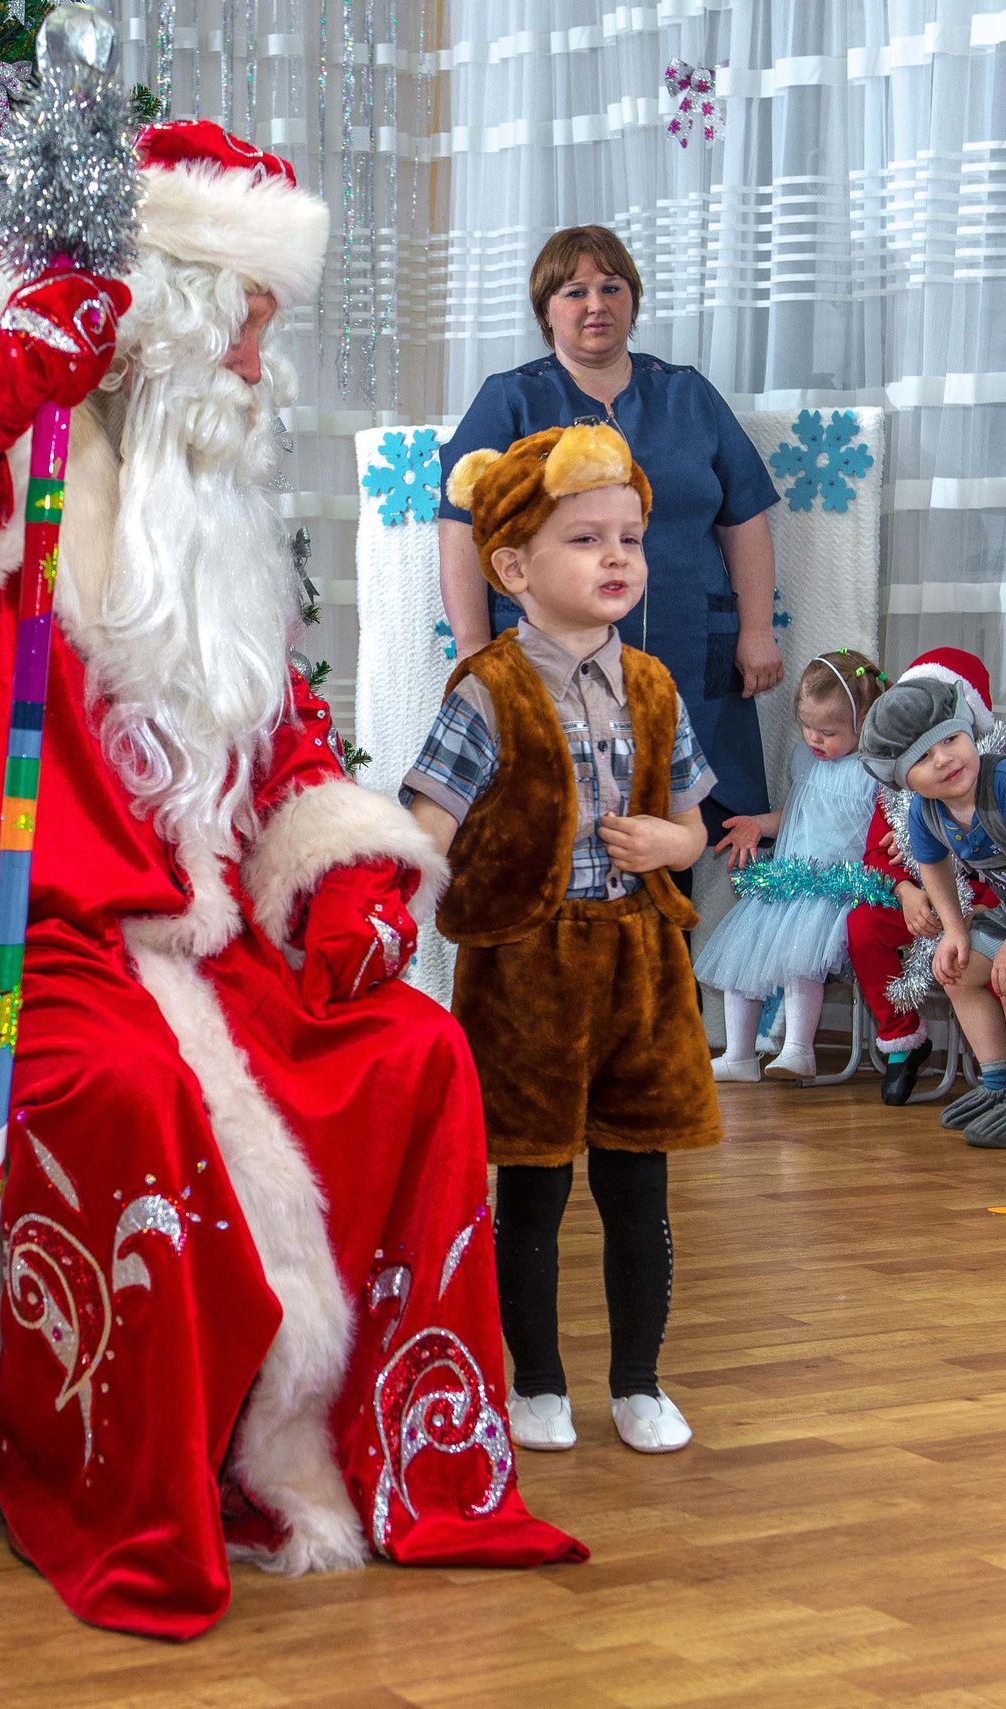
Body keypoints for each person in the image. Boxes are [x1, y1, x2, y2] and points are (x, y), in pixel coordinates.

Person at [0, 120, 582, 1641]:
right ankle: (139, 1484)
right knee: (125, 1097)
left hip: (199, 935)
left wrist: (342, 867)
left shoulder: (214, 505)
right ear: (167, 300)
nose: (266, 346)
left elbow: (277, 736)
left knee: (416, 1048)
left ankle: (397, 1454)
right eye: (252, 307)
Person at [401, 422, 721, 1458]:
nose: (616, 556)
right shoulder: (487, 691)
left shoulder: (655, 686)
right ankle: (534, 1378)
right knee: (530, 1183)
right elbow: (426, 825)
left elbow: (693, 820)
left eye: (627, 535)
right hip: (526, 970)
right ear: (511, 566)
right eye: (586, 539)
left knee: (639, 1187)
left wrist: (672, 838)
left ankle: (638, 1380)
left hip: (641, 966)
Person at [435, 225, 782, 837]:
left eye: (611, 287)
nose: (596, 304)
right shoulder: (510, 400)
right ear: (546, 312)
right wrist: (469, 643)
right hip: (552, 660)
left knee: (684, 829)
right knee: (561, 823)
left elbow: (745, 519)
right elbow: (463, 526)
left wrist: (755, 630)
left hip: (689, 651)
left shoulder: (689, 395)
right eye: (574, 291)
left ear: (633, 299)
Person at [860, 673, 1006, 1149]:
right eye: (923, 757)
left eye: (950, 740)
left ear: (970, 731)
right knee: (957, 972)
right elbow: (933, 867)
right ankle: (996, 1084)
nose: (944, 759)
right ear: (903, 778)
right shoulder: (925, 810)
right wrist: (953, 931)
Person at [697, 650, 886, 1082]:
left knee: (801, 962)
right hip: (786, 882)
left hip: (834, 886)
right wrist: (758, 824)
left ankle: (799, 1048)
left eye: (828, 732)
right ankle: (740, 1055)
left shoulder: (872, 771)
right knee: (740, 960)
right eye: (807, 727)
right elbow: (800, 812)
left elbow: (880, 831)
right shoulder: (804, 759)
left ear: (865, 723)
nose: (814, 739)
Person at [847, 649, 1006, 1103]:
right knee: (862, 925)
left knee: (989, 956)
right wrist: (906, 892)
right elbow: (875, 854)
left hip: (978, 908)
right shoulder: (897, 790)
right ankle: (902, 1040)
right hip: (920, 905)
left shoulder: (1002, 779)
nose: (940, 759)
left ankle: (1000, 1068)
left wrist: (978, 907)